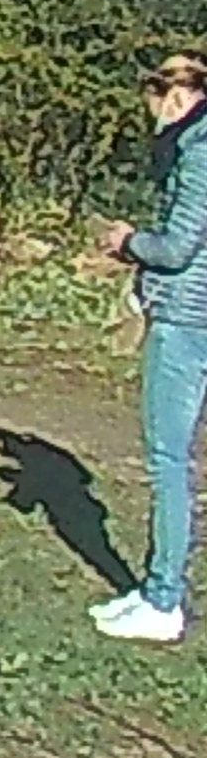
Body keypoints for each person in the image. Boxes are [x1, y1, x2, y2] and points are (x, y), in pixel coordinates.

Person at [99, 54, 207, 643]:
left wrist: (129, 242)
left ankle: (163, 600)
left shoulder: (197, 155)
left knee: (168, 458)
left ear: (176, 98)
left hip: (188, 319)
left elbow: (178, 247)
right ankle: (154, 590)